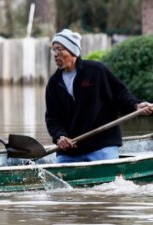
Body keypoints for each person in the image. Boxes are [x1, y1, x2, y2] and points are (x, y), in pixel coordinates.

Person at [45, 29, 153, 163]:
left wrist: (136, 105)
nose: (55, 54)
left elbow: (120, 95)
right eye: (53, 50)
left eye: (59, 49)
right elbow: (52, 118)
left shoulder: (97, 72)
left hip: (101, 146)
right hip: (71, 150)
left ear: (72, 51)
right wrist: (60, 136)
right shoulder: (54, 83)